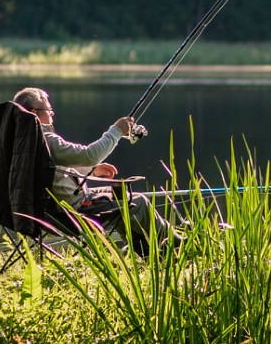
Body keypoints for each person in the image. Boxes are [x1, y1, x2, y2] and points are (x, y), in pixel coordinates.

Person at [12, 87, 175, 254]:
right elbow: (89, 155)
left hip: (46, 211)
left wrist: (91, 169)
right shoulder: (44, 138)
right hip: (72, 212)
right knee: (139, 203)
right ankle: (175, 243)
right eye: (49, 110)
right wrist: (117, 130)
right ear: (34, 113)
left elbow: (51, 167)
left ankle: (143, 251)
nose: (52, 114)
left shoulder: (18, 143)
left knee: (120, 193)